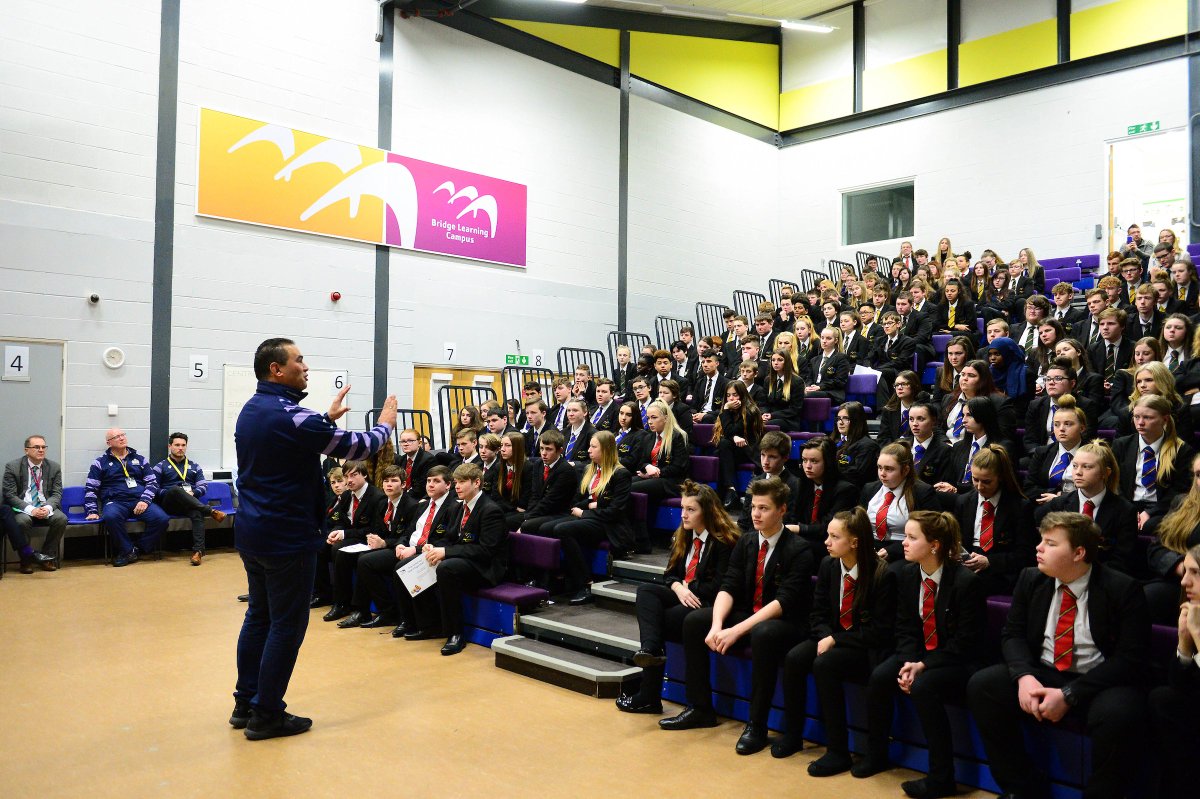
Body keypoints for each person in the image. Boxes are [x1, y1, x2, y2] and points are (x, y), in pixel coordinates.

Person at [231, 337, 397, 740]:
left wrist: (325, 417)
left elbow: (295, 441)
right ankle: (267, 714)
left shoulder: (252, 410)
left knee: (259, 616)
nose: (305, 366)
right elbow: (359, 446)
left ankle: (245, 703)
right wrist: (386, 423)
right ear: (277, 369)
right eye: (299, 360)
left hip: (252, 531)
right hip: (287, 536)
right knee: (286, 626)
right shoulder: (293, 416)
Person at [967, 512, 1150, 799]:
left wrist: (1069, 694)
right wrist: (1024, 677)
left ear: (1079, 553)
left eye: (1050, 543)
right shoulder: (1030, 578)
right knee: (984, 685)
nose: (1038, 548)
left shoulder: (1122, 588)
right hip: (1043, 671)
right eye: (1041, 540)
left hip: (1096, 681)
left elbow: (1130, 660)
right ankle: (1021, 787)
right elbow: (1012, 634)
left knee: (1122, 712)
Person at [659, 478, 816, 757]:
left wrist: (736, 631)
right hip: (750, 612)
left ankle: (757, 724)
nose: (755, 514)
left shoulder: (799, 548)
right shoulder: (746, 541)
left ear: (782, 510)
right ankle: (700, 707)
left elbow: (784, 602)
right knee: (696, 621)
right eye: (753, 507)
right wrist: (718, 625)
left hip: (787, 622)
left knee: (763, 634)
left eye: (764, 508)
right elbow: (728, 586)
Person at [849, 511, 984, 797]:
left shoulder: (965, 582)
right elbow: (905, 627)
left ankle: (941, 777)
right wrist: (911, 659)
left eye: (911, 538)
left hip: (956, 660)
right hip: (919, 653)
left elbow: (965, 643)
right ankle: (877, 754)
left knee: (924, 687)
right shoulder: (905, 574)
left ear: (934, 545)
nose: (904, 544)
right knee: (881, 675)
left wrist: (923, 664)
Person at [774, 507, 897, 763]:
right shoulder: (829, 565)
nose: (826, 542)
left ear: (854, 542)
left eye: (834, 537)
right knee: (795, 658)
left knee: (825, 664)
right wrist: (825, 636)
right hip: (831, 636)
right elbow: (817, 614)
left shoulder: (882, 574)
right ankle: (793, 734)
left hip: (864, 645)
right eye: (827, 535)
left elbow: (880, 632)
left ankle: (838, 750)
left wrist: (835, 640)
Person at [417, 463, 508, 656]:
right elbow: (450, 538)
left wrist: (446, 552)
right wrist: (433, 546)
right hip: (466, 560)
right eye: (456, 482)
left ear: (477, 483)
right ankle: (425, 623)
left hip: (486, 568)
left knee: (447, 568)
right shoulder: (459, 507)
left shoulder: (491, 510)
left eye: (462, 482)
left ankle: (456, 633)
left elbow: (486, 551)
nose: (457, 486)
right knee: (417, 562)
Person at [541, 432, 635, 605]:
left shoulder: (621, 474)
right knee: (545, 527)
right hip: (592, 518)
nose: (589, 450)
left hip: (609, 525)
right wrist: (590, 506)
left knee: (562, 529)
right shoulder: (590, 469)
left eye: (593, 447)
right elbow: (582, 499)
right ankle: (555, 578)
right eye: (589, 446)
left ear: (606, 450)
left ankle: (586, 583)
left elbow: (615, 511)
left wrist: (586, 512)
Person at [1035, 440, 1138, 575]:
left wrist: (1084, 576)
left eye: (1087, 467)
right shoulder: (1058, 505)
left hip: (1102, 581)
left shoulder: (1125, 511)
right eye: (1075, 466)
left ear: (1105, 473)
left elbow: (1122, 560)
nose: (1078, 472)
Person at [1148, 543, 1200, 796]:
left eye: (1195, 573)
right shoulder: (1193, 613)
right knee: (1164, 699)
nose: (1184, 582)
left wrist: (1198, 636)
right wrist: (1184, 644)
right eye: (1186, 571)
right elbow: (1178, 685)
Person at [954, 444, 1035, 597]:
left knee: (969, 584)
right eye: (975, 479)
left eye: (986, 482)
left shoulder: (1019, 507)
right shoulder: (963, 502)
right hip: (968, 562)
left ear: (1000, 478)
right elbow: (958, 542)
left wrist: (990, 561)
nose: (979, 487)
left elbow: (1025, 554)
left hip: (1000, 570)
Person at [346, 465, 420, 631]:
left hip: (402, 549)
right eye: (386, 481)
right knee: (360, 556)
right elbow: (378, 530)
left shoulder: (412, 506)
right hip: (386, 546)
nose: (388, 484)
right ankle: (361, 610)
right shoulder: (381, 504)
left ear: (403, 485)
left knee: (365, 561)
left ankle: (387, 611)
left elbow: (407, 537)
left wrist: (385, 543)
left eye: (394, 481)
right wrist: (374, 539)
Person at [84, 428, 171, 567]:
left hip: (139, 501)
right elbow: (91, 488)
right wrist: (92, 511)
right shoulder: (100, 462)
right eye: (116, 437)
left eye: (123, 435)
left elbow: (152, 483)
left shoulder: (140, 459)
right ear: (109, 443)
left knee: (162, 519)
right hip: (115, 502)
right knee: (111, 517)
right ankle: (127, 549)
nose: (121, 438)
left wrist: (145, 500)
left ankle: (137, 549)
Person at [391, 466, 459, 639]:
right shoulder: (423, 505)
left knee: (404, 567)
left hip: (431, 552)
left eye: (436, 481)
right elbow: (408, 532)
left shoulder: (453, 507)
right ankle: (406, 619)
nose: (430, 485)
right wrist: (400, 544)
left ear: (448, 485)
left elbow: (446, 540)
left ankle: (427, 625)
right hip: (410, 548)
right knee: (379, 562)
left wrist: (415, 549)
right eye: (429, 481)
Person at [1112, 393, 1195, 530]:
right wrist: (1129, 511)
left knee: (1152, 525)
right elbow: (1115, 483)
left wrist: (1150, 513)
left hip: (1163, 508)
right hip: (1127, 504)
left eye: (1148, 417)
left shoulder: (1181, 450)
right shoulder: (1121, 445)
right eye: (1136, 417)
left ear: (1165, 419)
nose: (1140, 423)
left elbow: (1179, 491)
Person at [323, 460, 389, 626]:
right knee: (323, 545)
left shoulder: (376, 497)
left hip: (369, 539)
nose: (349, 480)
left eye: (354, 475)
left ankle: (351, 606)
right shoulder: (346, 496)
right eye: (346, 476)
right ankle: (328, 596)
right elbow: (342, 520)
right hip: (353, 537)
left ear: (364, 475)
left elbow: (374, 529)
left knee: (342, 551)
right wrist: (335, 532)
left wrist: (344, 533)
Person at [148, 432, 227, 566]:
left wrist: (194, 492)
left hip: (190, 503)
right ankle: (210, 511)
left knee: (197, 513)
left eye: (183, 445)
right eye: (177, 445)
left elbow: (203, 486)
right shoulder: (160, 466)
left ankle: (198, 552)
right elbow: (154, 488)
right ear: (170, 446)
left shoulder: (194, 466)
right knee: (175, 489)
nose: (180, 448)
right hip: (169, 503)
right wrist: (172, 492)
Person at [861, 442, 939, 562]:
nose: (882, 473)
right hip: (870, 548)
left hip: (905, 552)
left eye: (889, 469)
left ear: (906, 470)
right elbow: (859, 525)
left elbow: (931, 532)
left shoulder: (922, 492)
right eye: (880, 467)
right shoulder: (869, 489)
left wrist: (894, 551)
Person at [629, 401, 690, 552]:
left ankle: (642, 540)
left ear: (666, 418)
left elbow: (679, 467)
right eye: (648, 418)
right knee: (623, 484)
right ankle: (636, 536)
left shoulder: (678, 436)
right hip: (651, 478)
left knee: (631, 487)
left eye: (654, 417)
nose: (650, 421)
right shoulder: (649, 437)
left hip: (672, 482)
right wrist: (647, 467)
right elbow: (641, 461)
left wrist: (657, 471)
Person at [2, 434, 64, 571]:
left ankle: (47, 557)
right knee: (22, 521)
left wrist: (48, 507)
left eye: (43, 447)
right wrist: (31, 509)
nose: (41, 450)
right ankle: (26, 560)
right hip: (23, 508)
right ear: (26, 450)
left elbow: (57, 493)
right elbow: (9, 495)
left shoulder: (54, 467)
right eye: (36, 447)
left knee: (61, 518)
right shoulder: (13, 467)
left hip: (44, 505)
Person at [790, 436, 857, 544]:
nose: (807, 466)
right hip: (800, 542)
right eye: (804, 460)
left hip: (829, 544)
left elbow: (828, 527)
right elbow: (792, 516)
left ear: (828, 462)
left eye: (814, 461)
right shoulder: (800, 485)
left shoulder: (846, 490)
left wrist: (798, 528)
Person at [1024, 394, 1088, 504]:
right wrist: (1053, 496)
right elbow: (1029, 488)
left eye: (1068, 424)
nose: (1061, 429)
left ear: (1082, 428)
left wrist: (1060, 497)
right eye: (1056, 425)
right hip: (1046, 507)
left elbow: (1094, 490)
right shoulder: (1042, 452)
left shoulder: (1092, 454)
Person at [713, 381, 763, 510]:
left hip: (749, 450)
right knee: (720, 450)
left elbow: (730, 431)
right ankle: (730, 490)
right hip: (733, 449)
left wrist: (725, 410)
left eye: (735, 395)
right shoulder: (730, 410)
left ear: (742, 395)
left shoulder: (751, 410)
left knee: (722, 447)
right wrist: (734, 437)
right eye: (728, 395)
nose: (731, 399)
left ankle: (727, 492)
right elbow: (730, 433)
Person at [519, 430, 577, 534]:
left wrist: (529, 518)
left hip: (558, 512)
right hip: (541, 510)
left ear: (560, 451)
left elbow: (551, 500)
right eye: (541, 448)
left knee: (527, 525)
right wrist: (529, 515)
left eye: (549, 449)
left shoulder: (566, 470)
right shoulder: (538, 464)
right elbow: (535, 495)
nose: (544, 453)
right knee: (507, 519)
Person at [832, 401, 880, 486]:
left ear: (856, 420)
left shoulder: (868, 446)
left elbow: (856, 475)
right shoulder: (832, 441)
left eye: (846, 418)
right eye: (839, 418)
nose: (840, 422)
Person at [907, 402, 952, 486]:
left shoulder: (944, 450)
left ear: (933, 421)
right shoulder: (902, 446)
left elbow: (942, 483)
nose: (914, 424)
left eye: (921, 419)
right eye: (911, 419)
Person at [494, 431, 532, 530]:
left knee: (502, 522)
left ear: (517, 448)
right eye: (501, 445)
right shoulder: (498, 467)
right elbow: (496, 495)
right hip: (506, 508)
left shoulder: (528, 467)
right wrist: (511, 507)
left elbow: (526, 498)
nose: (502, 449)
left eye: (507, 445)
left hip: (521, 511)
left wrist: (513, 508)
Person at [802, 326, 850, 404]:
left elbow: (839, 381)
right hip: (815, 390)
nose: (824, 341)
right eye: (822, 338)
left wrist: (820, 387)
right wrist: (808, 386)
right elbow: (809, 378)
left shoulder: (841, 358)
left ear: (836, 340)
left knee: (805, 395)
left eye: (828, 338)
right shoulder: (814, 360)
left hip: (832, 393)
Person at [877, 370, 922, 445]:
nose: (899, 388)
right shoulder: (889, 410)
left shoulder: (923, 409)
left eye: (903, 384)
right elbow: (883, 438)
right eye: (897, 385)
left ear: (914, 385)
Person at [394, 428, 434, 501]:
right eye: (403, 441)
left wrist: (401, 499)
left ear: (419, 443)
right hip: (404, 498)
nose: (406, 444)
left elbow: (421, 487)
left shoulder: (428, 459)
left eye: (410, 441)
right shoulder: (400, 460)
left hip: (421, 499)